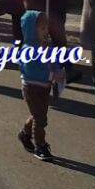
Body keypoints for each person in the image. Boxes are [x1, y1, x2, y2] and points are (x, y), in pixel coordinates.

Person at [16, 10, 60, 160]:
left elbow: (54, 61)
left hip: (45, 87)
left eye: (46, 28)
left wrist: (58, 70)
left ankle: (25, 133)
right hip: (31, 87)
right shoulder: (28, 49)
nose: (45, 31)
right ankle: (40, 146)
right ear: (31, 30)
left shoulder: (47, 45)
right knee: (40, 118)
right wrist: (50, 74)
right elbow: (31, 70)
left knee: (39, 115)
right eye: (42, 29)